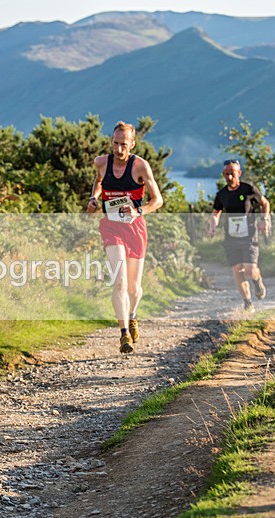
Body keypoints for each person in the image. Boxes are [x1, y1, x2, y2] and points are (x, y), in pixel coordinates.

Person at [87, 122, 163, 353]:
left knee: (134, 287)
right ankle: (124, 334)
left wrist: (138, 211)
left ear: (132, 144)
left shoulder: (140, 166)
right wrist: (93, 198)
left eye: (124, 145)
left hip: (135, 228)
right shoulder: (101, 163)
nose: (119, 149)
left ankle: (132, 316)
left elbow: (157, 200)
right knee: (119, 281)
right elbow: (99, 181)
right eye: (115, 144)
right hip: (111, 227)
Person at [207, 159, 271, 312]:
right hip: (231, 237)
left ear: (239, 173)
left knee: (249, 269)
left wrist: (264, 220)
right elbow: (216, 213)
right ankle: (248, 302)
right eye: (226, 174)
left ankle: (257, 281)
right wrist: (212, 225)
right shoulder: (221, 194)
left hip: (249, 236)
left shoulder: (248, 189)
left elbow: (265, 203)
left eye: (232, 174)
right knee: (237, 269)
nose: (229, 177)